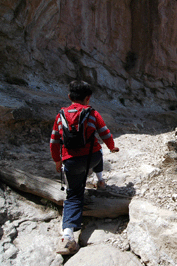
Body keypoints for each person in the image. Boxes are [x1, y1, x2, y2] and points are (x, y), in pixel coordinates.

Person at [50, 80, 119, 255]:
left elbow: (54, 141)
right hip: (92, 159)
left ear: (69, 97)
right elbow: (105, 132)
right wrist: (111, 147)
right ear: (88, 98)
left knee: (73, 194)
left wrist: (58, 161)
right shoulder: (92, 113)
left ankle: (68, 237)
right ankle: (101, 181)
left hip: (71, 162)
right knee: (98, 150)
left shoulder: (60, 115)